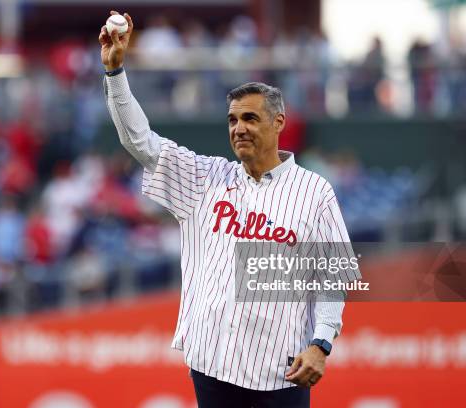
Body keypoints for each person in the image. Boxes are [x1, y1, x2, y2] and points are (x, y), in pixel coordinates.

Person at [99, 11, 358, 407]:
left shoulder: (314, 191)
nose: (239, 128)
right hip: (212, 366)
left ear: (278, 123)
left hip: (281, 374)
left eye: (251, 118)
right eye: (233, 119)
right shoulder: (205, 178)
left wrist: (321, 343)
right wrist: (115, 74)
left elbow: (334, 276)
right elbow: (141, 142)